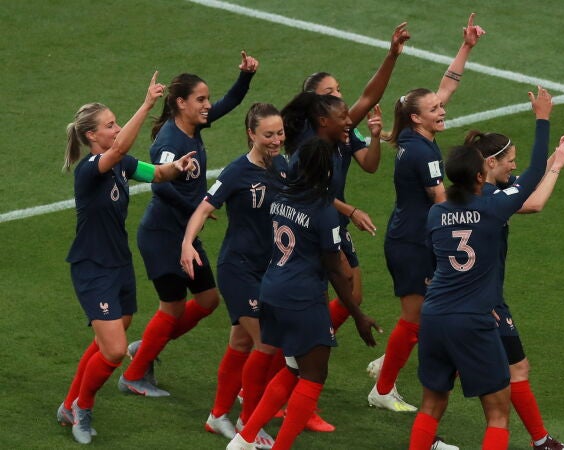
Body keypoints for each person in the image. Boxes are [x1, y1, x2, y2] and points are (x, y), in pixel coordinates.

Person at [408, 88, 564, 450]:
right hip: (473, 319)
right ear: (481, 177)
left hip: (433, 316)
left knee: (431, 405)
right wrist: (542, 119)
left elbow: (433, 262)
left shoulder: (435, 214)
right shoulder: (492, 210)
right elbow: (532, 176)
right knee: (497, 413)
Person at [57, 73, 195, 444]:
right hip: (93, 267)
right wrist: (147, 104)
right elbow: (117, 151)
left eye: (116, 123)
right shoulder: (91, 168)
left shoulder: (121, 164)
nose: (116, 129)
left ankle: (69, 405)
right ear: (92, 136)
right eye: (110, 125)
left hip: (119, 263)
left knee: (107, 342)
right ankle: (82, 407)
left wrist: (177, 167)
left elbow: (156, 174)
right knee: (116, 349)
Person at [119, 52, 259, 397]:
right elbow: (159, 185)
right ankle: (133, 376)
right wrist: (196, 207)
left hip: (184, 233)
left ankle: (147, 346)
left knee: (208, 299)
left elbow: (230, 103)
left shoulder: (193, 126)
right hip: (162, 235)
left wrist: (245, 76)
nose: (208, 105)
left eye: (207, 98)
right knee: (173, 306)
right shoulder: (169, 142)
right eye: (201, 99)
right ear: (181, 103)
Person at [227, 137, 381, 450]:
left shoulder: (281, 197)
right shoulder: (324, 212)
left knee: (293, 369)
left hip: (272, 290)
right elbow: (336, 270)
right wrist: (358, 315)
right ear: (328, 172)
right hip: (302, 298)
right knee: (313, 376)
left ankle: (243, 440)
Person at [368, 12, 485, 417]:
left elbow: (446, 86)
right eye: (434, 109)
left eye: (439, 106)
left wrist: (466, 47)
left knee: (425, 315)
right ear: (417, 117)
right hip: (412, 243)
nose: (442, 109)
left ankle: (388, 361)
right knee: (415, 320)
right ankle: (382, 388)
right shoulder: (421, 153)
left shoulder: (412, 133)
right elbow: (441, 199)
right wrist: (484, 207)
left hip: (414, 238)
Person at [467, 117, 564, 449]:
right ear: (491, 163)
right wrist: (557, 165)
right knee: (510, 377)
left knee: (507, 370)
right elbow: (533, 202)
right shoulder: (491, 197)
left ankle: (541, 440)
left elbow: (529, 180)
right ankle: (541, 441)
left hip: (468, 297)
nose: (515, 166)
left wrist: (556, 154)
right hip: (484, 300)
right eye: (511, 160)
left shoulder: (480, 189)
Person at [292, 21, 410, 337]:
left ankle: (309, 341)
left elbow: (370, 162)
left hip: (335, 218)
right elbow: (309, 193)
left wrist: (392, 55)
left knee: (353, 295)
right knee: (325, 289)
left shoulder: (342, 128)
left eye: (338, 89)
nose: (338, 96)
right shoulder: (309, 143)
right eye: (329, 93)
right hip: (311, 222)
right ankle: (301, 348)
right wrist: (351, 210)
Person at [179, 103, 286, 447]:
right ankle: (248, 424)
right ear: (251, 134)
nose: (276, 140)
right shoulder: (237, 171)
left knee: (241, 342)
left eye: (280, 133)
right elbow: (204, 207)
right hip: (238, 269)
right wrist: (187, 242)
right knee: (267, 343)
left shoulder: (283, 166)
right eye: (268, 134)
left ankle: (217, 415)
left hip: (268, 269)